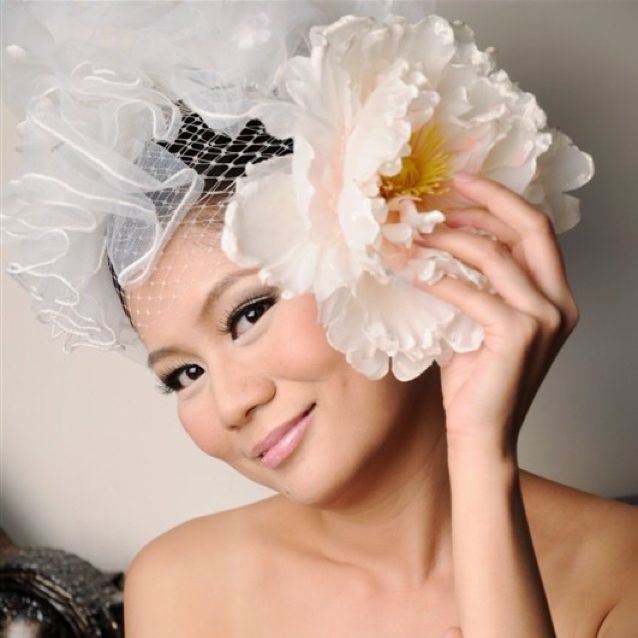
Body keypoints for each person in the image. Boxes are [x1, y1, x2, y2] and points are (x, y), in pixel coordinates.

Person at [2, 2, 636, 637]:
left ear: (398, 253)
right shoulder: (181, 584)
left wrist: (480, 457)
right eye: (184, 374)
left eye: (248, 314)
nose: (231, 404)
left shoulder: (620, 571)